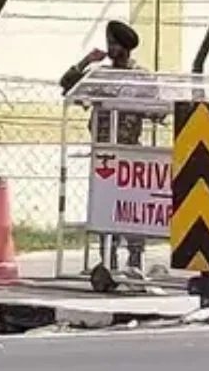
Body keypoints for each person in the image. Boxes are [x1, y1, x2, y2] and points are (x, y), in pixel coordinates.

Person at [61, 20, 153, 272]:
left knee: (132, 209)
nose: (110, 49)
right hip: (104, 152)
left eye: (114, 44)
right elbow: (66, 84)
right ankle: (107, 261)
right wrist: (86, 61)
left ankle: (135, 260)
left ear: (125, 48)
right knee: (105, 207)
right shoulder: (100, 74)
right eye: (109, 43)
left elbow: (156, 110)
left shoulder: (141, 77)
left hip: (130, 151)